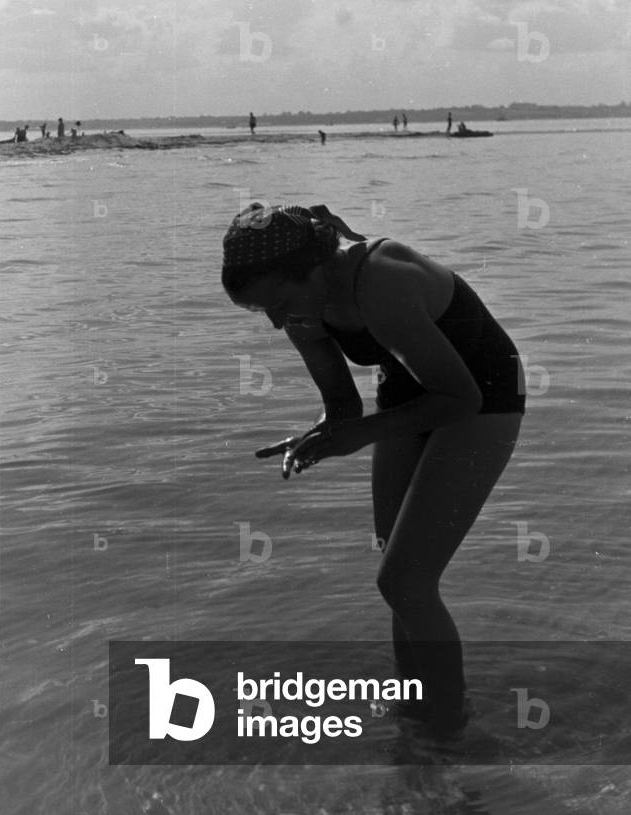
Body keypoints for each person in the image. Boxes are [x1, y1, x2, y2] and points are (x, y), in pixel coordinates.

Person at [221, 202, 525, 737]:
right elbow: (342, 405)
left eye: (279, 303)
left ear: (315, 268)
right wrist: (324, 433)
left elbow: (460, 398)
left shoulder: (383, 281)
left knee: (404, 580)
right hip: (410, 392)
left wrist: (359, 437)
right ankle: (416, 717)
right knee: (398, 577)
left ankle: (450, 731)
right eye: (261, 311)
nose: (276, 320)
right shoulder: (300, 310)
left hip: (483, 392)